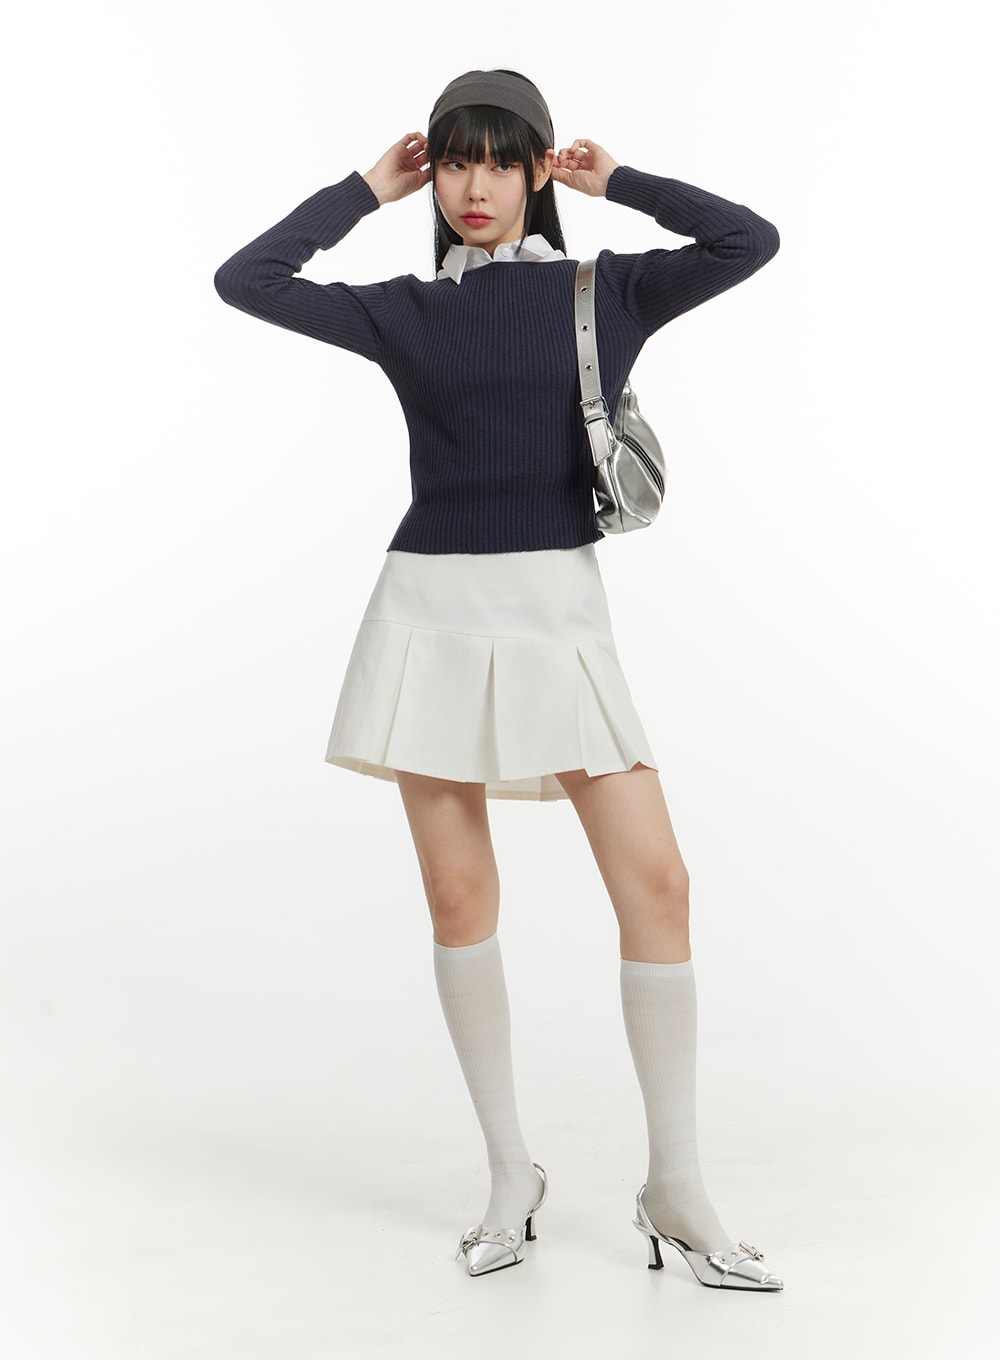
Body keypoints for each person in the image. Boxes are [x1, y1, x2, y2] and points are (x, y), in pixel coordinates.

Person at [214, 68, 782, 1288]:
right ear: (437, 175)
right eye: (456, 161)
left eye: (500, 159)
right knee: (460, 899)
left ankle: (676, 1186)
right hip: (429, 611)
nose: (476, 185)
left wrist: (618, 180)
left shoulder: (604, 291)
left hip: (555, 612)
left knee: (659, 887)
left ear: (535, 171)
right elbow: (246, 278)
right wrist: (365, 190)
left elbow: (748, 239)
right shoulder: (408, 311)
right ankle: (508, 1172)